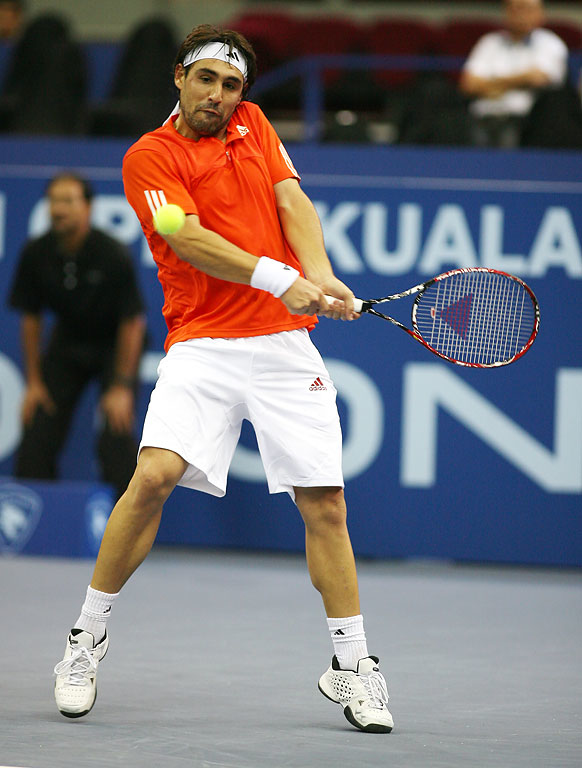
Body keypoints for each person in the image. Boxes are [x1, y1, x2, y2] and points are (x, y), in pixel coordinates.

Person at [51, 25, 394, 734]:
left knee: (326, 505)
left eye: (231, 85)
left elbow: (292, 202)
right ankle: (85, 639)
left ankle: (354, 666)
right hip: (202, 344)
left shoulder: (255, 125)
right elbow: (186, 237)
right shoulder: (149, 157)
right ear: (179, 77)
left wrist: (320, 273)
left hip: (283, 346)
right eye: (205, 78)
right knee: (153, 477)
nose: (218, 95)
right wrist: (280, 278)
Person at [8, 172, 146, 499]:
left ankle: (125, 520)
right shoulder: (35, 252)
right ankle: (38, 517)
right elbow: (31, 318)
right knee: (37, 431)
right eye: (54, 201)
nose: (59, 209)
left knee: (115, 434)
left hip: (114, 346)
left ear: (87, 207)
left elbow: (132, 322)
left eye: (68, 201)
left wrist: (121, 386)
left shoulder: (113, 254)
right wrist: (34, 382)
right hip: (67, 345)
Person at [459, 0, 568, 147]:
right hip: (481, 118)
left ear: (540, 14)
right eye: (515, 9)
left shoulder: (550, 43)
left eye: (527, 9)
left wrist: (491, 85)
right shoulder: (489, 42)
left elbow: (537, 78)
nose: (520, 15)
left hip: (526, 122)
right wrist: (519, 81)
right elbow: (468, 84)